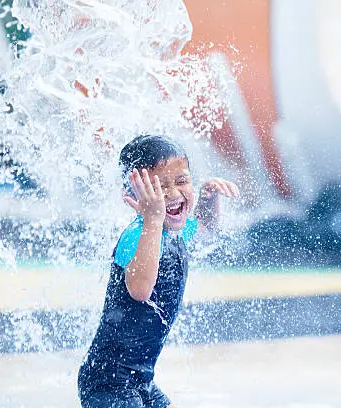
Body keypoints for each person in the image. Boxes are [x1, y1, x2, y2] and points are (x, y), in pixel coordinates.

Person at [78, 134, 239, 408]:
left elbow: (207, 229)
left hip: (139, 378)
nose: (174, 194)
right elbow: (140, 291)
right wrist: (153, 217)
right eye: (159, 187)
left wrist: (209, 199)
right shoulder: (136, 235)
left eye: (182, 181)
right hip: (108, 381)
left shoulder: (171, 231)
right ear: (134, 195)